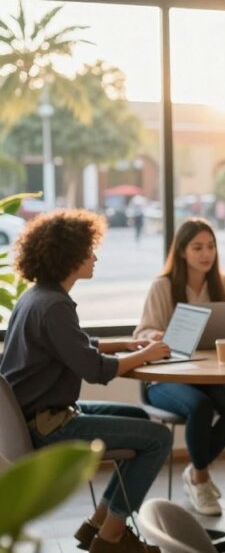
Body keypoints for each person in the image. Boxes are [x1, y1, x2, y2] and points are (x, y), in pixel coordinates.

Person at [0, 210, 172, 553]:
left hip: (40, 415)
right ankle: (111, 536)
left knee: (139, 420)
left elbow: (71, 346)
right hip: (49, 426)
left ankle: (97, 523)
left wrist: (125, 344)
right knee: (157, 438)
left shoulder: (38, 297)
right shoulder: (54, 306)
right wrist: (148, 354)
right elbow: (95, 370)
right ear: (70, 257)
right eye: (90, 250)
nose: (95, 257)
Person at [134, 218, 225, 516]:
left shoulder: (222, 284)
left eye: (211, 246)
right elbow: (141, 334)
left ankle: (195, 469)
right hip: (165, 378)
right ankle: (201, 478)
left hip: (207, 374)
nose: (207, 254)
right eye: (198, 247)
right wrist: (153, 335)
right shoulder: (162, 286)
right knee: (200, 407)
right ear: (181, 251)